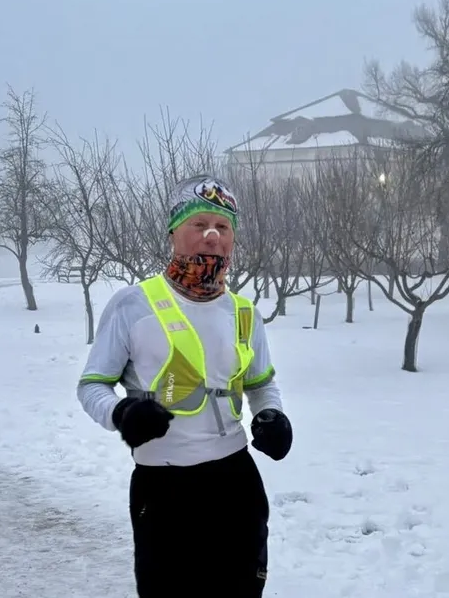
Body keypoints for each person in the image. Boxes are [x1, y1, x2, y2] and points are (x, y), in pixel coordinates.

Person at [77, 173, 293, 598]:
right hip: (164, 488)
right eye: (200, 224)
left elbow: (262, 385)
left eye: (223, 226)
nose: (213, 235)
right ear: (174, 231)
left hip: (236, 481)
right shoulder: (133, 304)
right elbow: (92, 386)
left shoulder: (244, 312)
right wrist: (121, 413)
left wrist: (273, 416)